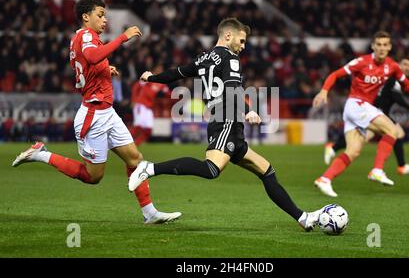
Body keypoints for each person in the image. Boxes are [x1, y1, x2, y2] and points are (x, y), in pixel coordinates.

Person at [127, 18, 325, 231]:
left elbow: (177, 73)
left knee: (267, 171)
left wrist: (152, 78)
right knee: (211, 169)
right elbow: (233, 90)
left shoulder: (204, 58)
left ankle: (302, 217)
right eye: (241, 40)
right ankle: (150, 168)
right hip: (227, 118)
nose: (243, 46)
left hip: (227, 121)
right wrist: (248, 111)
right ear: (228, 35)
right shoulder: (230, 59)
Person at [12, 0, 181, 224]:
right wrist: (123, 37)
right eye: (100, 15)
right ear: (86, 16)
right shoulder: (86, 36)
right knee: (94, 177)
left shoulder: (83, 39)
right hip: (93, 115)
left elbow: (86, 63)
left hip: (107, 112)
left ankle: (149, 213)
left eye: (105, 15)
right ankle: (41, 154)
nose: (104, 20)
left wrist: (104, 69)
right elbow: (91, 57)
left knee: (135, 159)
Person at [313, 31, 409, 197]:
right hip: (357, 104)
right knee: (393, 131)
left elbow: (405, 84)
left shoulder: (392, 66)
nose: (382, 48)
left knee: (353, 151)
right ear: (373, 46)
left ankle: (325, 179)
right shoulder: (361, 62)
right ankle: (377, 170)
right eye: (379, 45)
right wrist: (324, 91)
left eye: (385, 45)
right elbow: (335, 74)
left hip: (358, 110)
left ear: (390, 47)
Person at [324, 56, 409, 175]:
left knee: (378, 136)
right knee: (378, 136)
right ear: (398, 64)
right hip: (372, 111)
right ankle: (390, 168)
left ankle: (333, 150)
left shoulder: (394, 78)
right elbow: (395, 96)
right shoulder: (392, 77)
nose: (407, 68)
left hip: (377, 111)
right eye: (405, 64)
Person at [129, 78, 170, 146]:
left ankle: (136, 144)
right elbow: (137, 86)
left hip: (149, 108)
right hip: (141, 105)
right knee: (138, 127)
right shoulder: (149, 79)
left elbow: (168, 93)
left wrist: (177, 95)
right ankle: (122, 143)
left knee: (149, 130)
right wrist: (133, 100)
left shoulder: (162, 85)